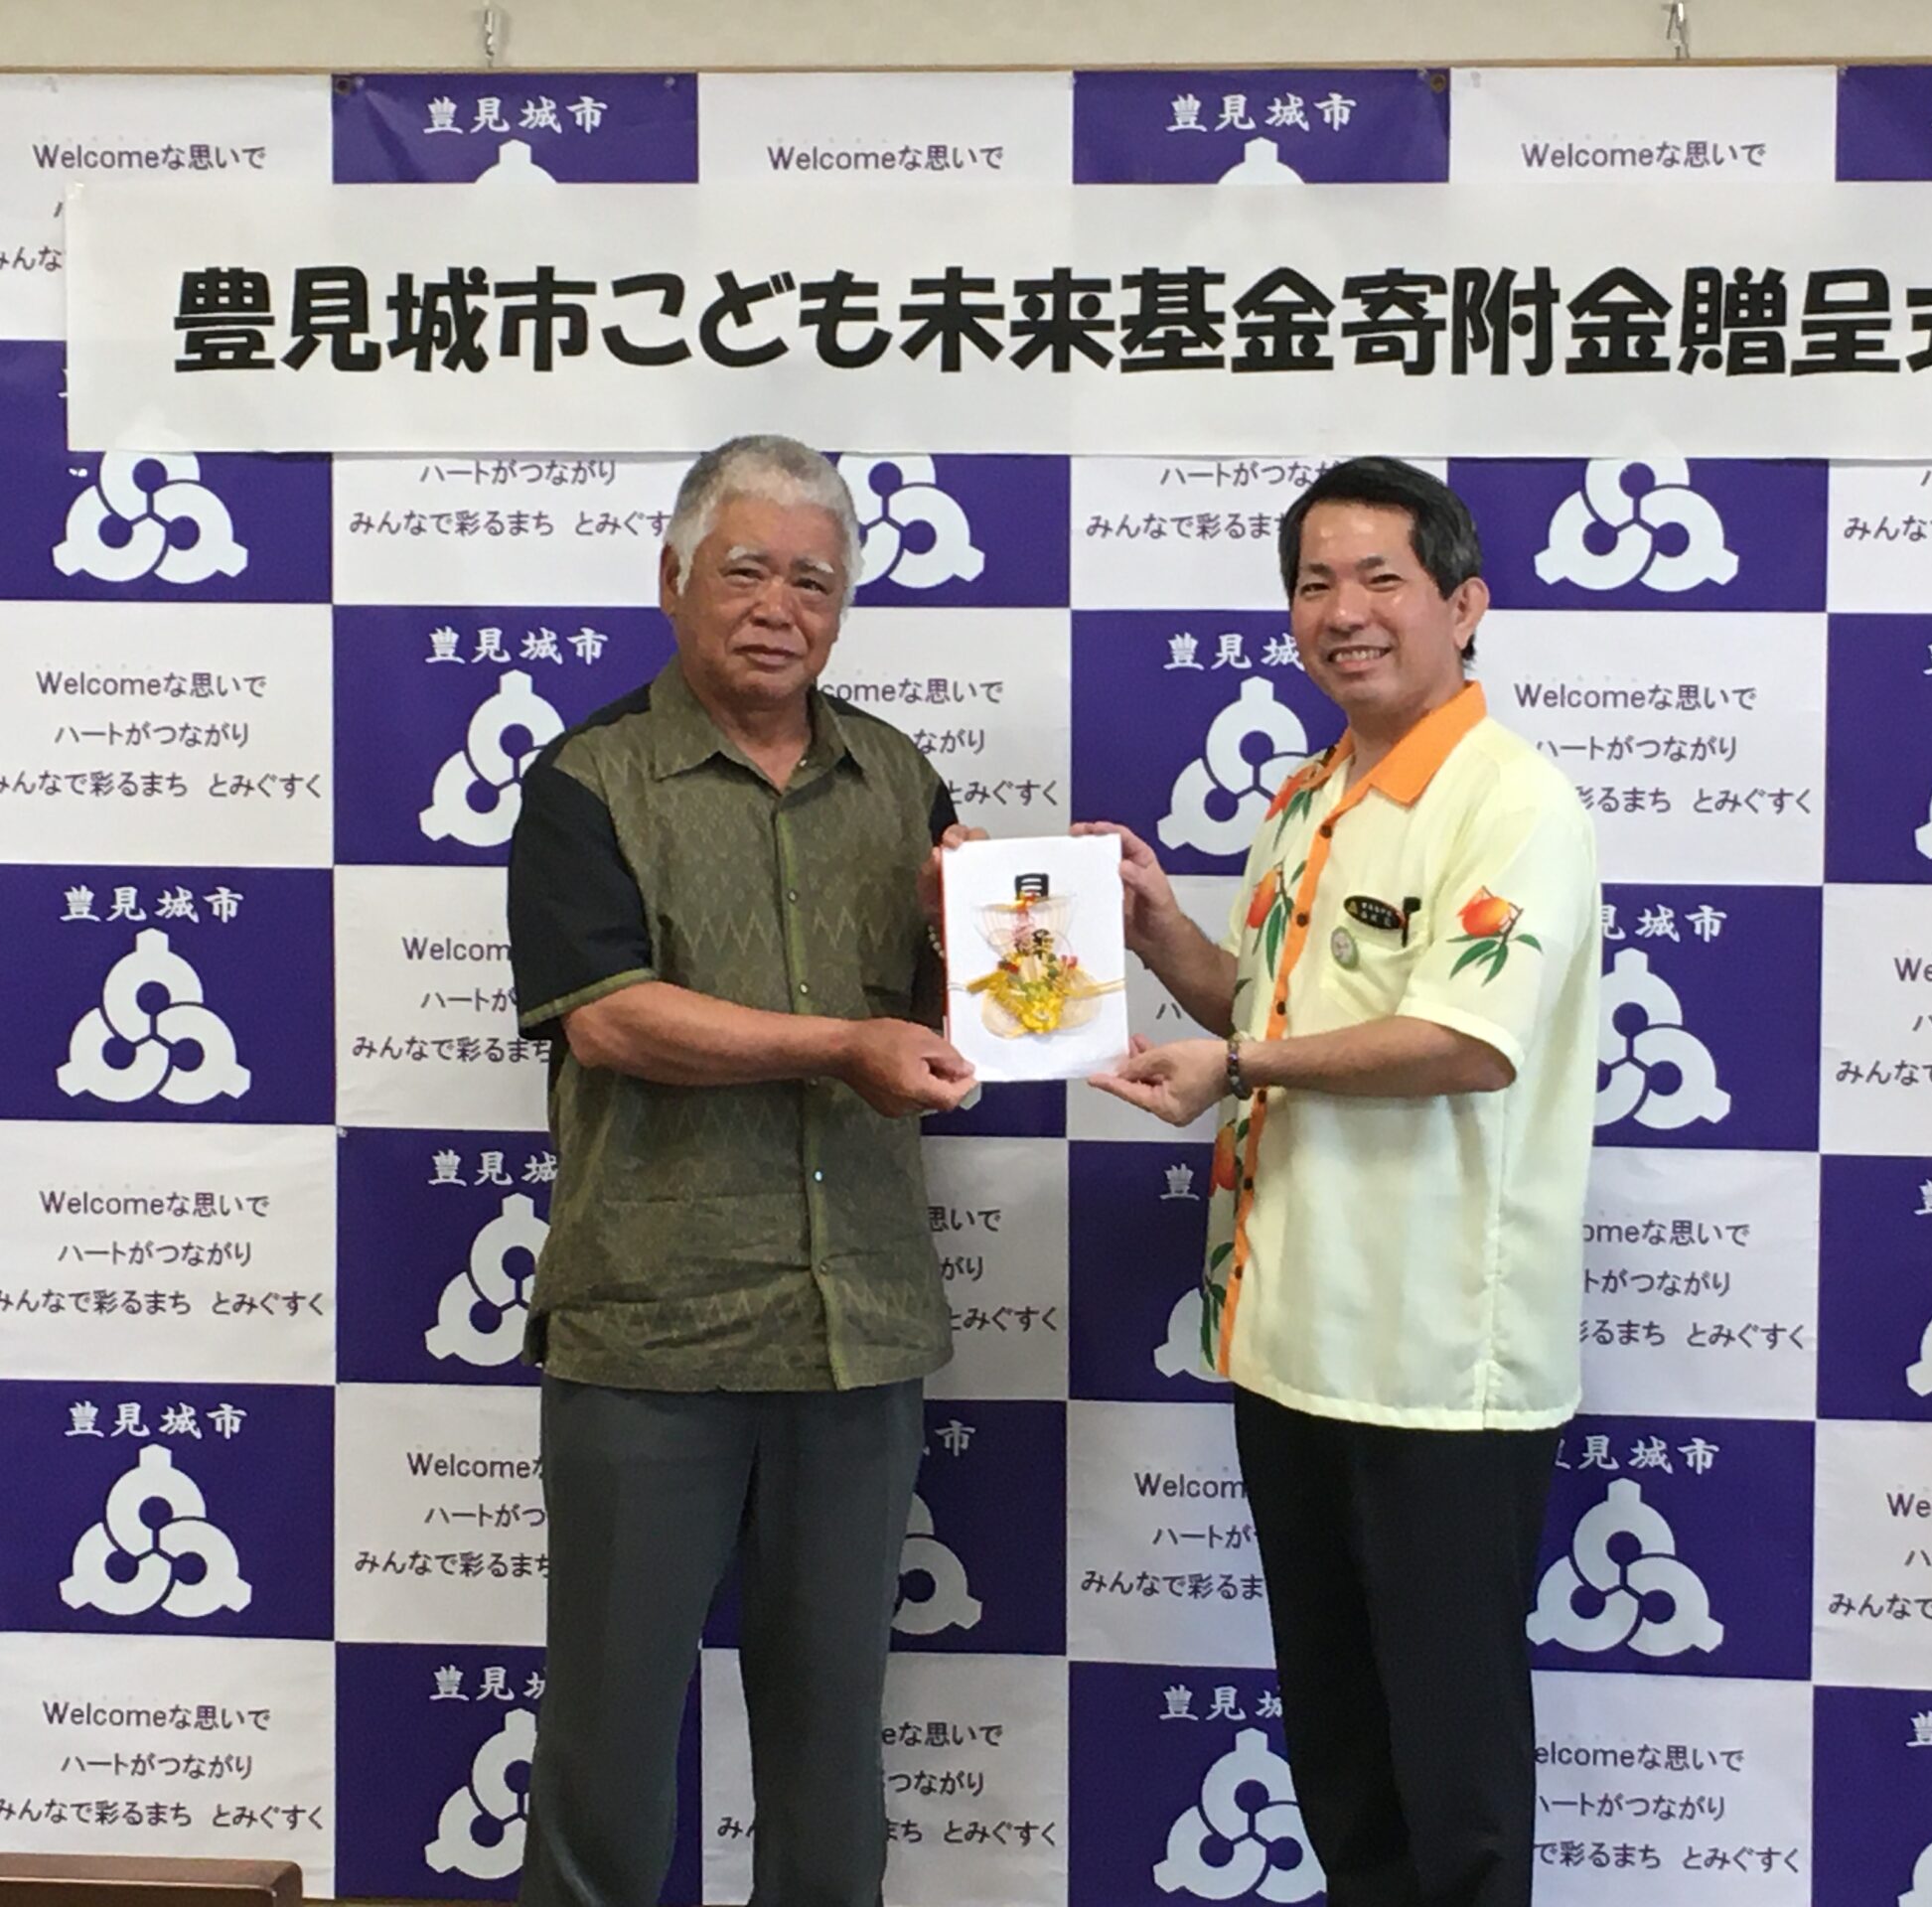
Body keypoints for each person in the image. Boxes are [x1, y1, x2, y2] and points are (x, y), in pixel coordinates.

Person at [1084, 457, 1604, 1907]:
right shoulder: (1310, 795)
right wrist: (1156, 927)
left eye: (1382, 578)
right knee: (1341, 1746)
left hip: (1437, 1365)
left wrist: (1238, 1066)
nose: (1343, 611)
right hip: (1289, 1346)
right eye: (1315, 583)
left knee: (1452, 1761)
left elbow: (1465, 1042)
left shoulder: (1511, 801)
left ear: (1465, 604)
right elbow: (1268, 1010)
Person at [505, 434, 978, 1907]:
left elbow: (963, 1029)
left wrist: (1001, 939)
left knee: (833, 1739)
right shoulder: (587, 779)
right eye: (747, 571)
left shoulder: (900, 778)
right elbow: (611, 1019)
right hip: (654, 1331)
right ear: (673, 579)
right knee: (609, 1735)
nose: (781, 607)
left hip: (856, 1332)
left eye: (815, 582)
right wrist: (842, 1044)